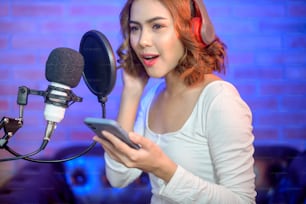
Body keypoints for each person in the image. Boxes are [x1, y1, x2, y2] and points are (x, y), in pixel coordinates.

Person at [93, 0, 256, 203]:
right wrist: (132, 92)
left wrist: (164, 169)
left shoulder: (220, 101)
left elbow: (243, 200)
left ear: (193, 30)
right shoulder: (153, 96)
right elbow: (118, 177)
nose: (142, 41)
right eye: (135, 28)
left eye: (157, 26)